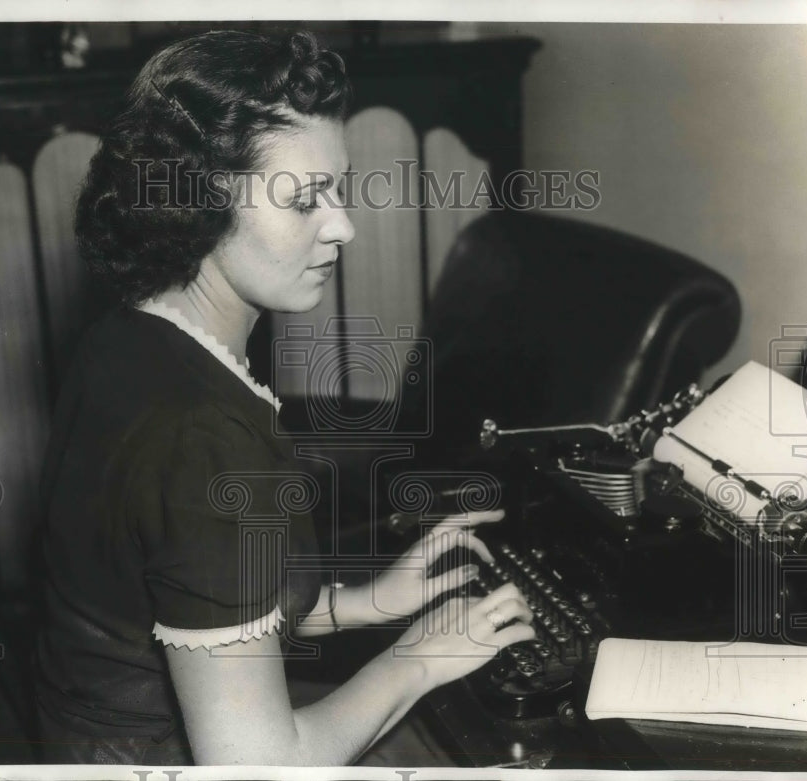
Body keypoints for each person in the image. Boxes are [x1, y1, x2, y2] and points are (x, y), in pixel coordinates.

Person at [34, 29, 534, 766]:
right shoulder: (202, 437)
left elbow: (188, 593)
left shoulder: (129, 337)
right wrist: (419, 656)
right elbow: (260, 764)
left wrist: (368, 601)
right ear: (199, 205)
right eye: (304, 200)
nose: (344, 226)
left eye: (338, 189)